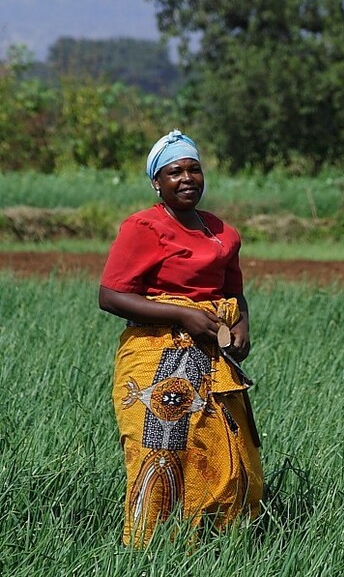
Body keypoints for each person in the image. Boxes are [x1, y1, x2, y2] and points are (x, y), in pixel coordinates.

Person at [99, 129, 262, 546]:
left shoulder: (222, 232)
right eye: (175, 172)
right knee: (161, 450)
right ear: (157, 182)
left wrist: (241, 325)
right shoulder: (143, 227)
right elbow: (110, 296)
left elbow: (234, 292)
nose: (187, 178)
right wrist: (181, 314)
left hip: (212, 358)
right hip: (155, 354)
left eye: (194, 169)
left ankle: (212, 543)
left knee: (224, 451)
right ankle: (149, 548)